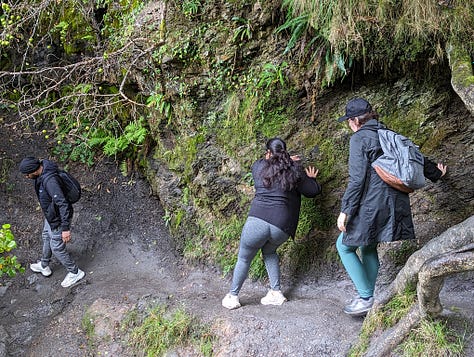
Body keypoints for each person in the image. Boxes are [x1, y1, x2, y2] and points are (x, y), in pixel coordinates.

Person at [335, 98, 447, 316]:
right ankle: (366, 295)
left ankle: (366, 297)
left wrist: (345, 211)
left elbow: (357, 179)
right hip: (394, 203)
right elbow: (415, 157)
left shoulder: (359, 139)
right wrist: (437, 173)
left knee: (344, 246)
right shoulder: (387, 133)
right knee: (368, 246)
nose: (348, 124)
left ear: (355, 120)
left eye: (348, 120)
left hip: (371, 204)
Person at [222, 138, 322, 309]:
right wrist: (310, 178)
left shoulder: (259, 167)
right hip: (281, 227)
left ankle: (233, 296)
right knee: (269, 251)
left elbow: (268, 162)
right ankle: (276, 293)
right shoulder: (295, 171)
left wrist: (288, 161)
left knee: (244, 258)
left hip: (258, 221)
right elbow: (312, 191)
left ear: (268, 153)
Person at [19, 157, 85, 288]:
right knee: (46, 236)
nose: (26, 177)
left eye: (27, 174)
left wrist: (65, 229)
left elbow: (63, 204)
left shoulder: (50, 181)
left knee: (57, 247)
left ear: (33, 170)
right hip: (51, 215)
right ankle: (44, 265)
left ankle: (75, 272)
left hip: (58, 219)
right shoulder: (42, 172)